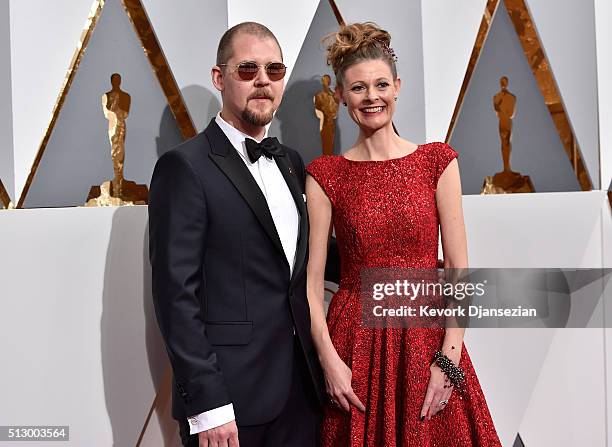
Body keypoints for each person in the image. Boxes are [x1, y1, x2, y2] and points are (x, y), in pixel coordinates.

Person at [305, 22, 502, 446]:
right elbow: (311, 282)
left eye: (380, 85)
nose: (371, 96)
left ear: (398, 87)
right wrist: (328, 359)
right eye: (358, 88)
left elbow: (458, 270)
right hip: (354, 342)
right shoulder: (325, 175)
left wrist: (449, 359)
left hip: (426, 336)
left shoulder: (437, 162)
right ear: (341, 96)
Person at [149, 22, 324, 447]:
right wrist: (208, 405)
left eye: (274, 70)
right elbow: (176, 295)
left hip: (303, 393)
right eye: (247, 70)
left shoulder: (291, 162)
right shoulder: (185, 167)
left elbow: (307, 260)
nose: (263, 80)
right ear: (219, 78)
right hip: (229, 406)